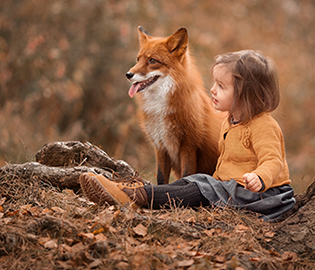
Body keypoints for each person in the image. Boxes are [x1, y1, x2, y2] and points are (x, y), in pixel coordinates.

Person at [80, 50, 295, 222]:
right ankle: (132, 191)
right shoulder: (231, 122)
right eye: (214, 83)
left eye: (221, 86)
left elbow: (273, 160)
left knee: (201, 188)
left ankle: (136, 197)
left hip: (263, 196)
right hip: (234, 188)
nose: (212, 90)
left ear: (246, 96)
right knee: (197, 180)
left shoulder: (263, 126)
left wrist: (260, 178)